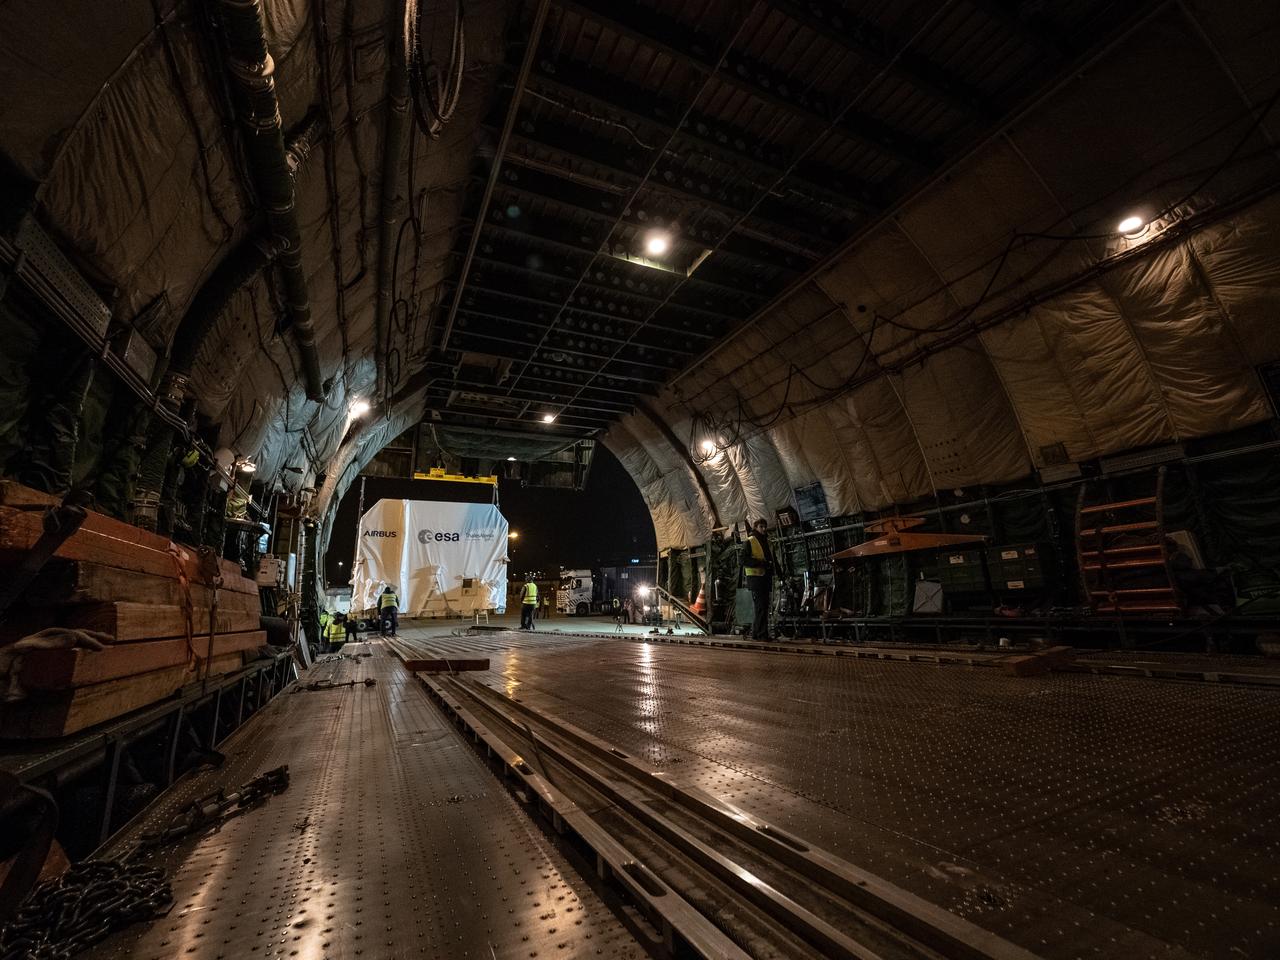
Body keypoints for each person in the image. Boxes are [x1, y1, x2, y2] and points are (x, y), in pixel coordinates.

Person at [741, 518, 775, 640]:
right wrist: (760, 563)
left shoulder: (766, 541)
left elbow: (771, 560)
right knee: (761, 607)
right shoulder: (750, 541)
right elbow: (743, 560)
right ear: (755, 527)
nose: (764, 529)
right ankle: (762, 634)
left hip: (765, 579)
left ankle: (756, 633)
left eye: (765, 527)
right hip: (756, 579)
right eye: (761, 526)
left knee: (762, 607)